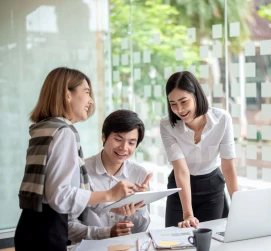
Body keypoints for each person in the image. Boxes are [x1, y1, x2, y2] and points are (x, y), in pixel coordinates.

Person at [15, 67, 133, 251]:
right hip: (48, 232)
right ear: (67, 94)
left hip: (29, 227)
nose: (91, 100)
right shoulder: (64, 132)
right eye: (86, 92)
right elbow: (59, 196)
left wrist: (111, 207)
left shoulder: (43, 128)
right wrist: (109, 194)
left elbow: (48, 193)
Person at [160, 71, 238, 228]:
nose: (179, 109)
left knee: (209, 240)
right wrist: (188, 214)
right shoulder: (167, 125)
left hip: (212, 187)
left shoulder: (222, 119)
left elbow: (228, 167)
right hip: (179, 188)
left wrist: (240, 207)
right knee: (174, 242)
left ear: (196, 95)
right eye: (173, 104)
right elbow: (181, 170)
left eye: (184, 101)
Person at [68, 109, 152, 242]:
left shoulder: (139, 174)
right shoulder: (81, 170)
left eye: (131, 143)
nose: (124, 148)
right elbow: (69, 226)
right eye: (118, 139)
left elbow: (141, 230)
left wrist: (141, 206)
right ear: (103, 136)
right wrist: (106, 233)